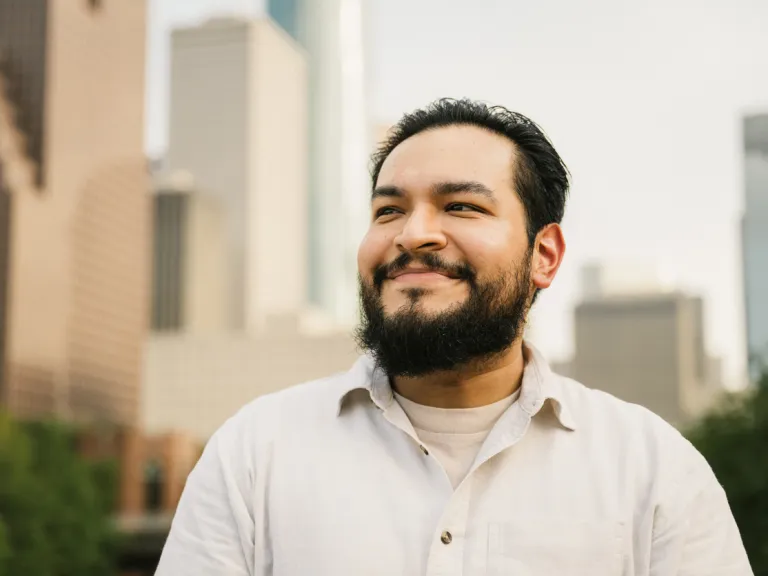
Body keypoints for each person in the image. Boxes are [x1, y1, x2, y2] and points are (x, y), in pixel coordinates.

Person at [155, 99, 752, 575]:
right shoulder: (252, 454)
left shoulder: (653, 468)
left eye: (461, 206)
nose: (413, 233)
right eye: (388, 211)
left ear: (544, 255)